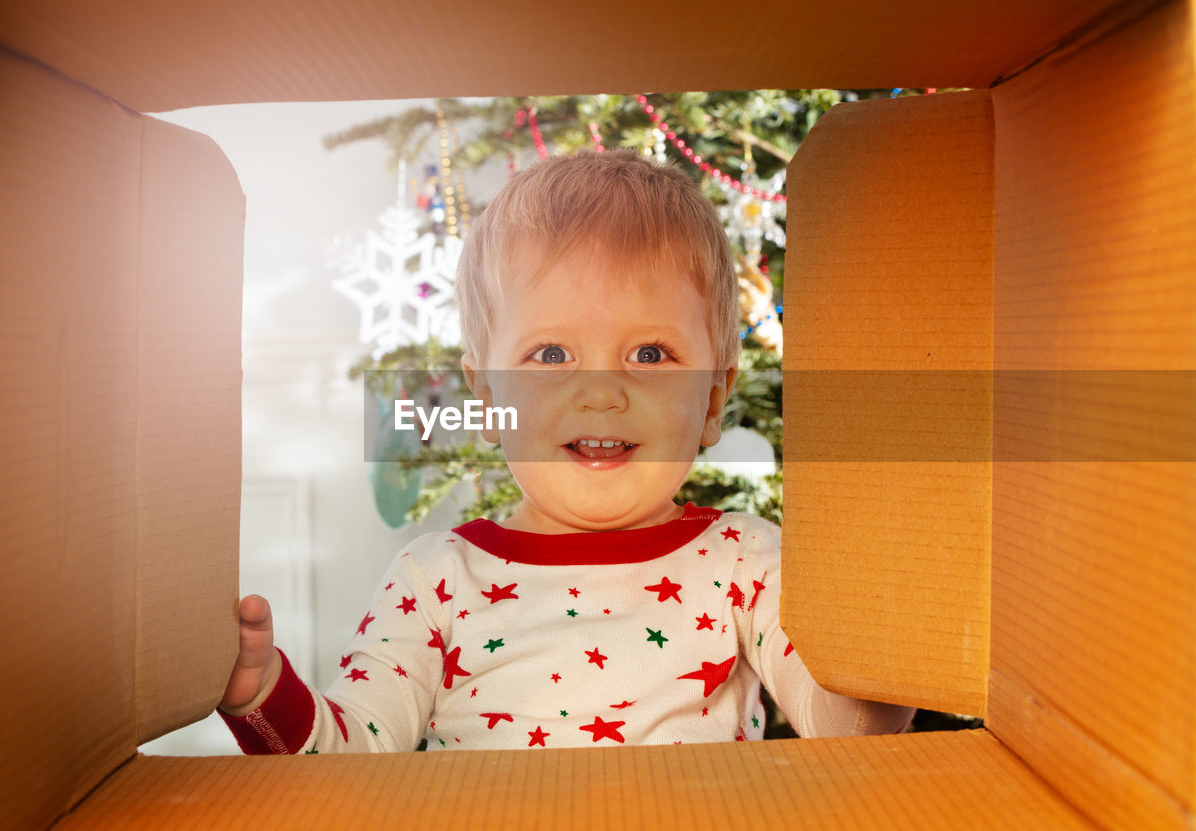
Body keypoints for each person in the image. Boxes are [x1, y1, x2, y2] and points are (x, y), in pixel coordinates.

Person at [218, 149, 915, 753]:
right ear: (487, 397)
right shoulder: (435, 580)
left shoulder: (746, 560)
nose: (603, 392)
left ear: (711, 398)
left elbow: (845, 733)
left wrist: (893, 646)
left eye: (650, 353)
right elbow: (348, 760)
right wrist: (263, 696)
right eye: (550, 354)